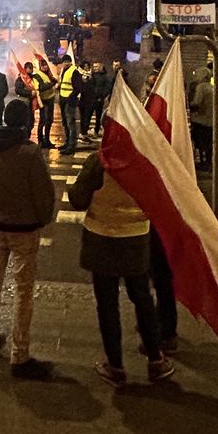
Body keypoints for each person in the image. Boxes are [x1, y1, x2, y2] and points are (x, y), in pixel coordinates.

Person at [68, 150, 175, 387]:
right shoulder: (144, 160)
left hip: (101, 238)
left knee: (107, 304)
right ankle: (155, 359)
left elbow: (78, 199)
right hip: (135, 239)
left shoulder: (98, 161)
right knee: (143, 298)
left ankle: (115, 366)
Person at [0, 99, 56, 379]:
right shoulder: (29, 153)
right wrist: (40, 219)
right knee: (23, 290)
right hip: (24, 231)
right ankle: (20, 354)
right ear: (25, 121)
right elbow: (44, 195)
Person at [57, 55, 84, 156]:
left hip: (70, 101)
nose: (65, 63)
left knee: (70, 124)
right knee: (65, 123)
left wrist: (71, 97)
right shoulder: (64, 70)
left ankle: (71, 146)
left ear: (70, 62)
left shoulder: (74, 71)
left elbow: (78, 88)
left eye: (67, 62)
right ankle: (67, 143)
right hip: (63, 99)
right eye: (64, 62)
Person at [190, 69, 215, 172]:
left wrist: (189, 105)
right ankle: (208, 161)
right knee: (209, 143)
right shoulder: (213, 87)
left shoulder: (201, 87)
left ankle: (202, 162)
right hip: (211, 119)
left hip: (200, 119)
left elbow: (197, 102)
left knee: (200, 143)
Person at [34, 63, 56, 149]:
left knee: (49, 120)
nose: (45, 67)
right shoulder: (37, 75)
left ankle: (47, 140)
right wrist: (51, 84)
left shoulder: (49, 75)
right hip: (43, 101)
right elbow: (41, 87)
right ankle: (40, 141)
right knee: (43, 121)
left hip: (50, 99)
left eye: (46, 65)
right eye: (43, 65)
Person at [86, 61, 112, 135]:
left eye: (96, 66)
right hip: (91, 99)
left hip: (99, 100)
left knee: (98, 116)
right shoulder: (92, 76)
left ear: (101, 66)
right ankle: (85, 131)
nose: (95, 68)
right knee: (88, 115)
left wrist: (102, 96)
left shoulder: (105, 77)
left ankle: (96, 131)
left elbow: (107, 88)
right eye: (94, 67)